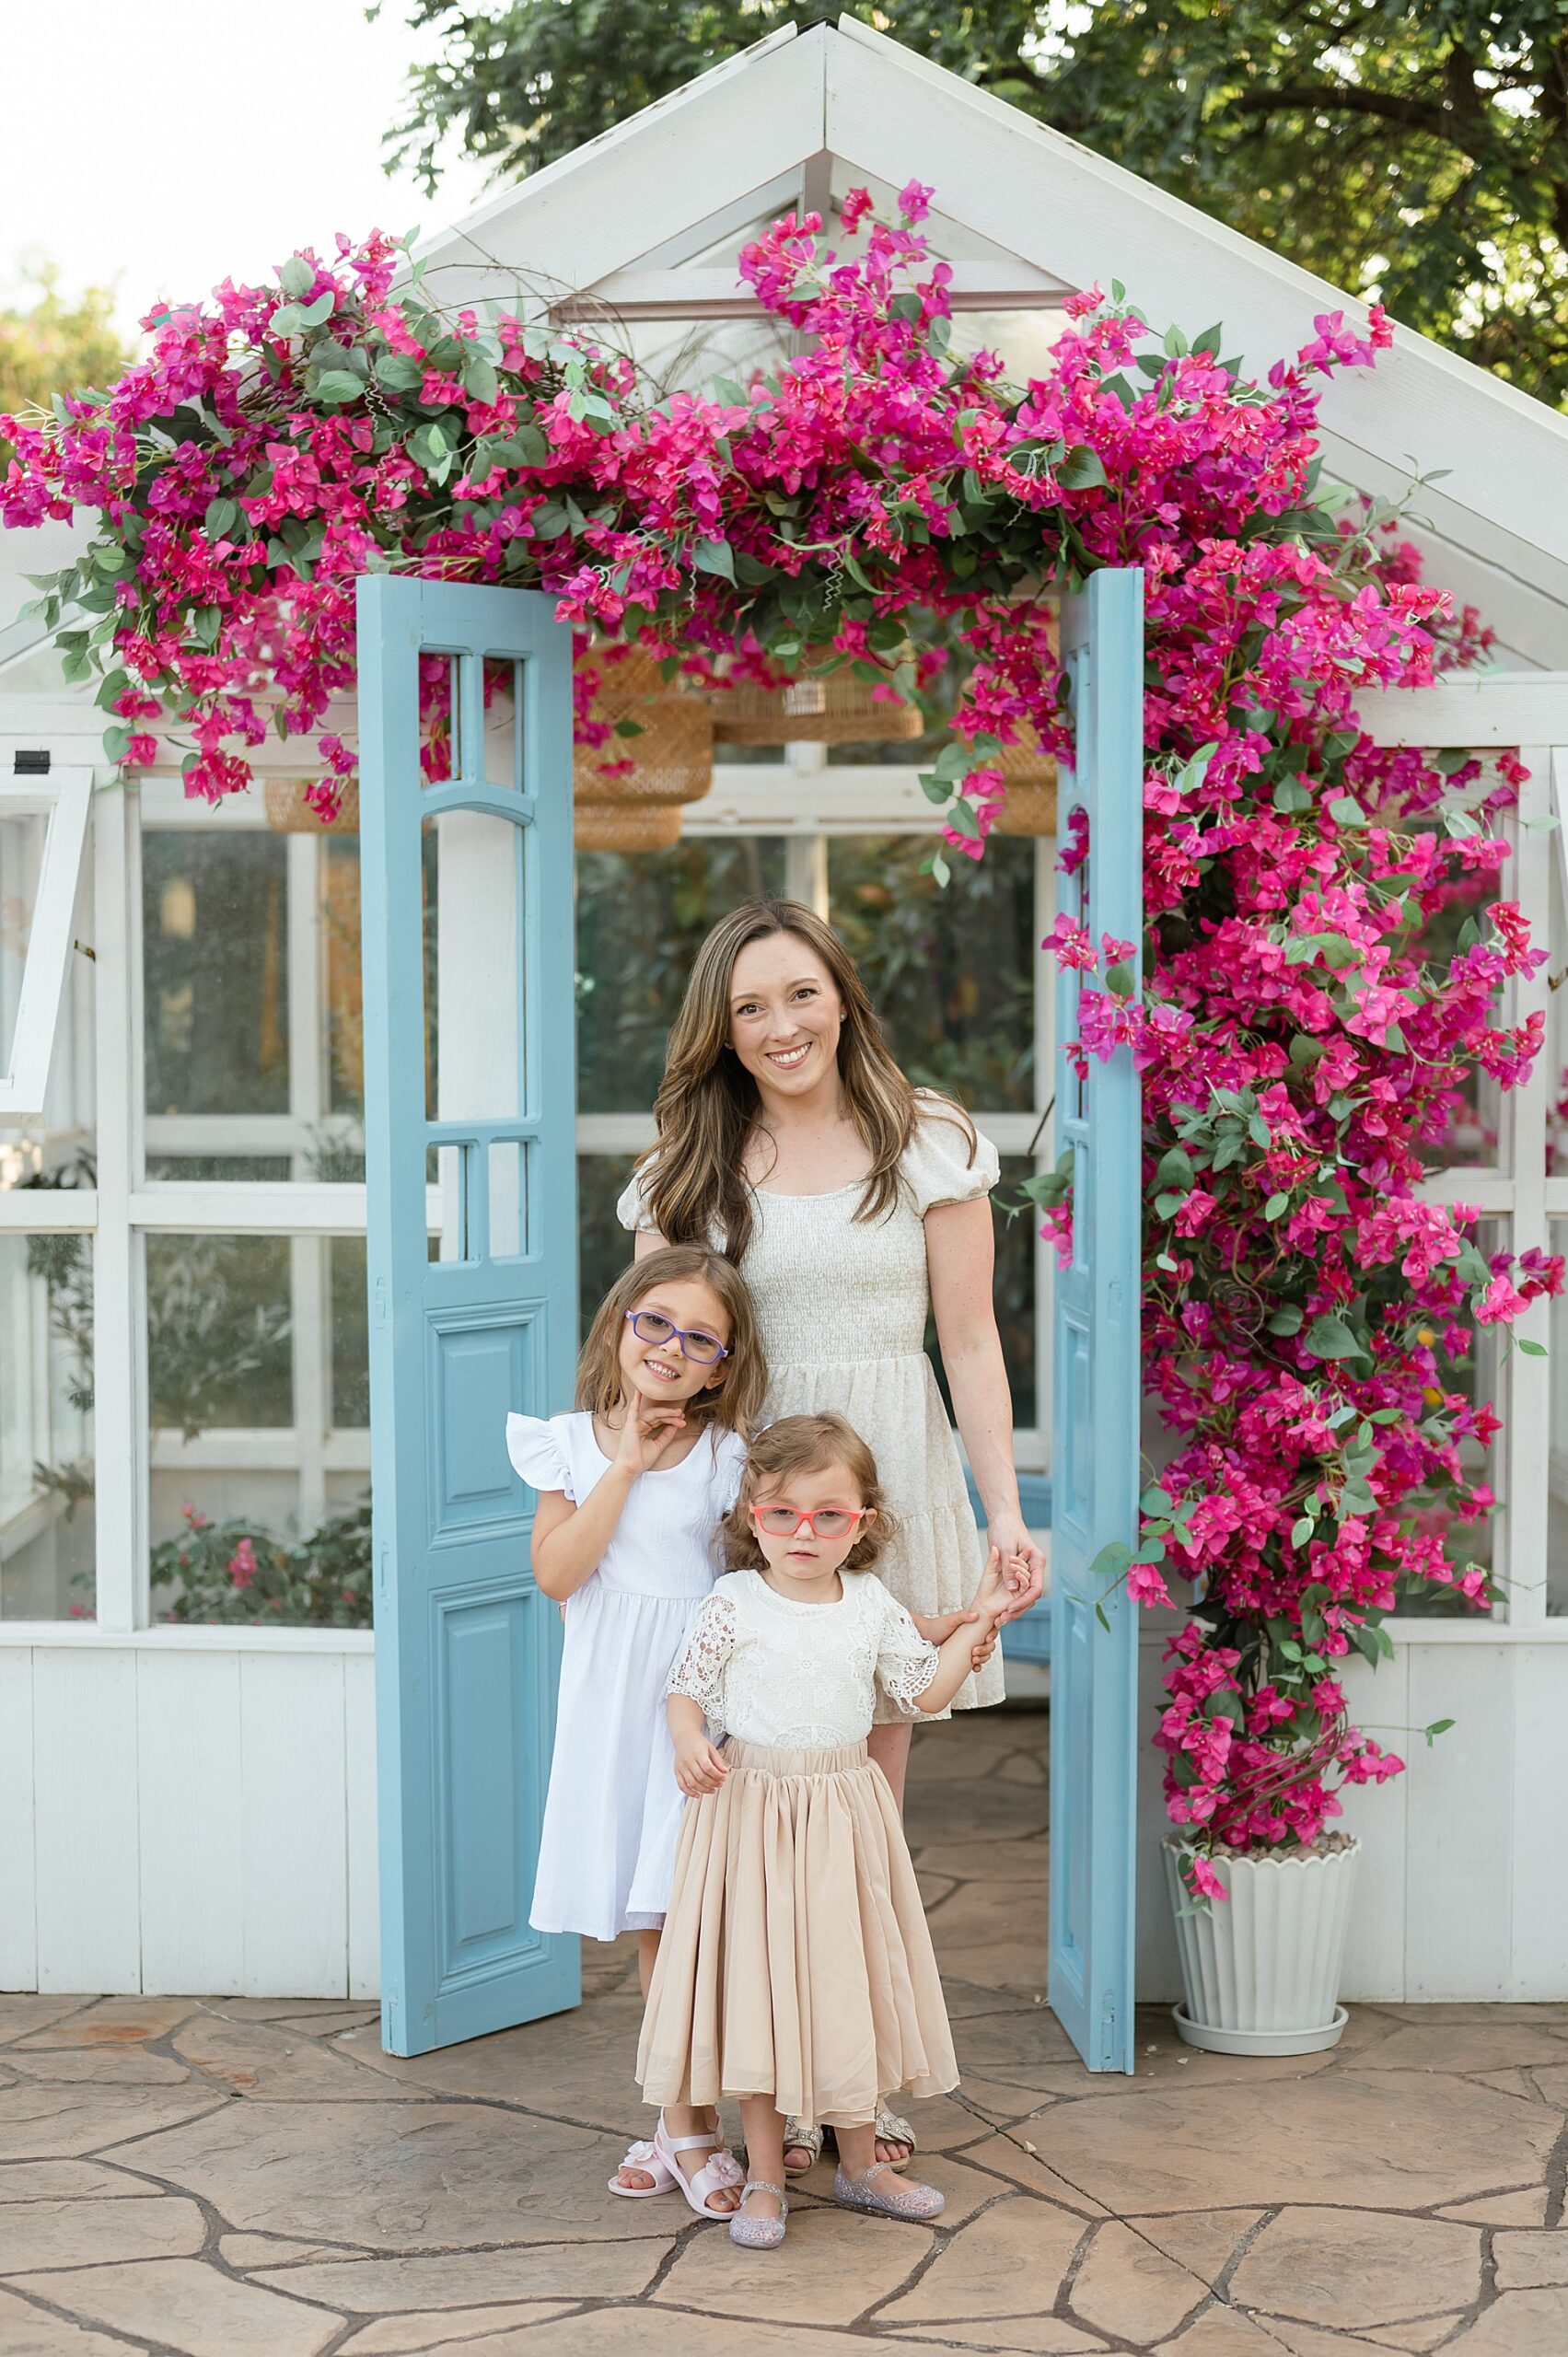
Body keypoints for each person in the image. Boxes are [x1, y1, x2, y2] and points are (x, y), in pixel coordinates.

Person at [618, 895, 1047, 2168]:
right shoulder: (688, 1166)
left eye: (798, 993)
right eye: (748, 1007)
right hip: (748, 1511)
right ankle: (745, 2082)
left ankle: (843, 2086)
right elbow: (654, 1356)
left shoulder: (927, 1143)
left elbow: (968, 1345)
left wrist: (1003, 1514)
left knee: (858, 1815)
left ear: (842, 994)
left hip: (887, 1486)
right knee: (745, 1815)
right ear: (722, 1028)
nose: (778, 1024)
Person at [639, 1412, 1011, 2247]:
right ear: (751, 1518)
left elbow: (920, 1691)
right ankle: (766, 2178)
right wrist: (690, 1738)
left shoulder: (871, 1606)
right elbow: (683, 1689)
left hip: (843, 1815)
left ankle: (862, 2164)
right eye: (781, 1514)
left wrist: (975, 1630)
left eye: (828, 1515)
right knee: (763, 1996)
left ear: (862, 1523)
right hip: (754, 1817)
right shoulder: (732, 1601)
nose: (802, 1533)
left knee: (846, 1984)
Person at [505, 1244, 767, 2218]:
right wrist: (621, 1463)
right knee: (652, 1920)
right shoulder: (567, 1445)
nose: (669, 1345)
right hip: (609, 1709)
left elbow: (752, 1583)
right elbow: (558, 1573)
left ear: (721, 1365)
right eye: (653, 1320)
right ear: (620, 1321)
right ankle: (678, 2123)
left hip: (692, 1711)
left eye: (698, 1337)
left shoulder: (727, 1457)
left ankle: (685, 2126)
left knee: (678, 1920)